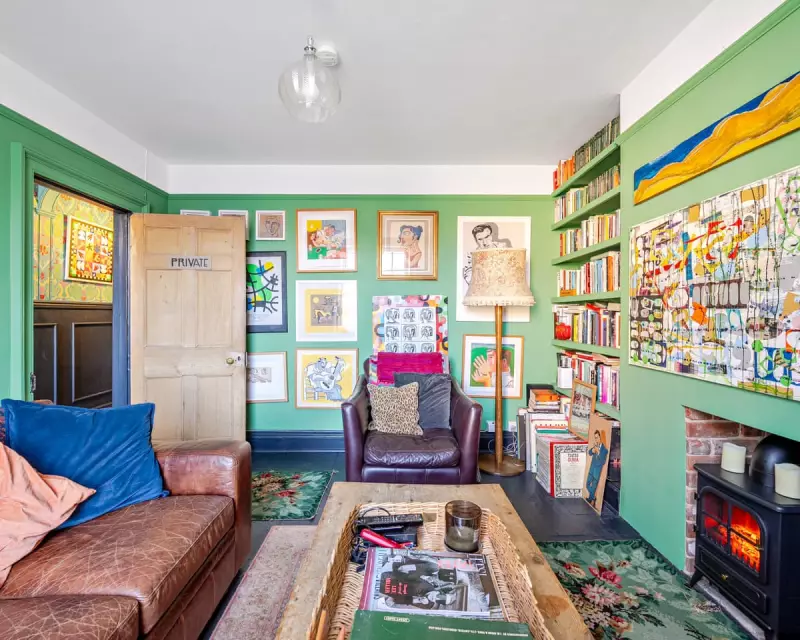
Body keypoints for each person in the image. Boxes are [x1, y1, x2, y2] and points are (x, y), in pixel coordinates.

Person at [585, 429, 609, 508]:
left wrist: (598, 453)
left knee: (594, 487)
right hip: (591, 469)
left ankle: (590, 499)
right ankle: (593, 498)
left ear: (600, 437)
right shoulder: (595, 446)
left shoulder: (605, 450)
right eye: (595, 438)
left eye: (597, 437)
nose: (596, 439)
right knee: (587, 484)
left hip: (597, 472)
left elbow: (602, 462)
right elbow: (589, 453)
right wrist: (593, 450)